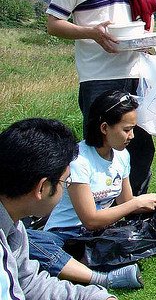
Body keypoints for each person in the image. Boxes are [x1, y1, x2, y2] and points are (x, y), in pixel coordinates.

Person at [46, 0, 156, 196]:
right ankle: (93, 214)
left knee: (141, 145)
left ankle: (132, 208)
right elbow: (53, 24)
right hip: (97, 78)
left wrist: (146, 36)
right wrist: (91, 33)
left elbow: (146, 12)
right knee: (98, 152)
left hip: (135, 73)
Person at [27, 90, 156, 289]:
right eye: (127, 130)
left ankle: (76, 267)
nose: (132, 136)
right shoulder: (79, 160)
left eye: (133, 129)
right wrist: (135, 203)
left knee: (141, 234)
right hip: (67, 235)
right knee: (31, 241)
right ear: (104, 128)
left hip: (101, 234)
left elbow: (126, 202)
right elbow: (91, 219)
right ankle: (101, 278)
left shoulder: (122, 156)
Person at [0, 118, 116, 299]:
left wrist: (96, 297)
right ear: (42, 188)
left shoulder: (14, 224)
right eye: (65, 181)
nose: (66, 186)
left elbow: (28, 284)